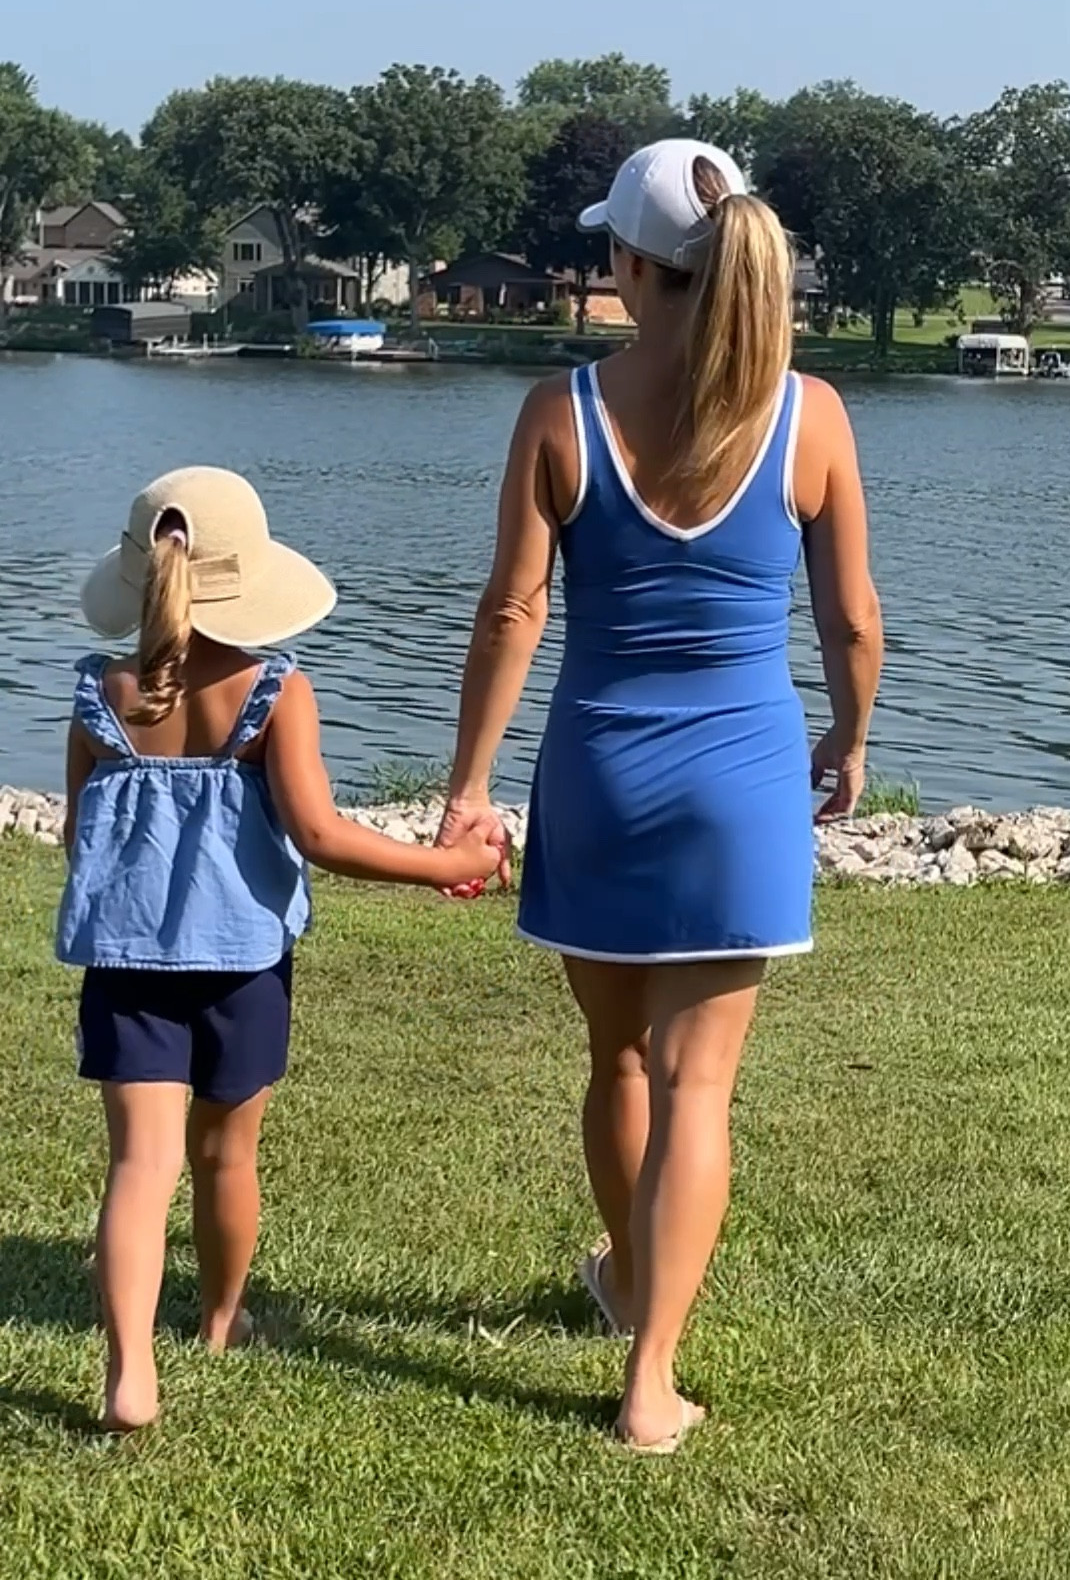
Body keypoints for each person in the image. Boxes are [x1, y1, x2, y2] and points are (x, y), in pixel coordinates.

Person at [438, 139, 882, 1452]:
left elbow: (514, 610)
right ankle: (650, 1379)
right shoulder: (813, 415)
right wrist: (851, 740)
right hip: (742, 789)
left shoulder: (559, 410)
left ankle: (630, 1287)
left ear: (632, 266)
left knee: (618, 1057)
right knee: (700, 1089)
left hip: (601, 779)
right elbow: (852, 620)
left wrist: (467, 785)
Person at [58, 466, 503, 1432]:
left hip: (127, 963)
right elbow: (321, 834)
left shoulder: (100, 694)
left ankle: (129, 1375)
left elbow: (77, 836)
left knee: (140, 1167)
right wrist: (445, 864)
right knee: (225, 1157)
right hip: (244, 962)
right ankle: (221, 1321)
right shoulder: (275, 690)